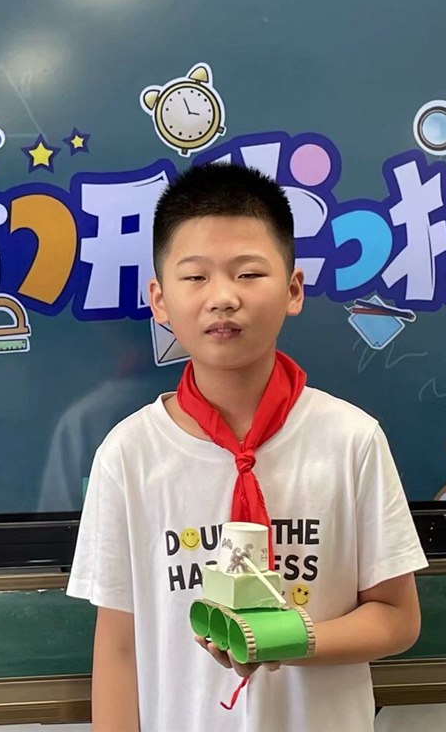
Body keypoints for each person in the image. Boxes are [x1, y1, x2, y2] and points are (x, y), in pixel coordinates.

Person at [66, 162, 427, 731]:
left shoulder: (351, 439)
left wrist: (295, 638)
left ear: (293, 290)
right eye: (195, 277)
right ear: (159, 301)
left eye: (249, 273)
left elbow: (397, 618)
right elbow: (117, 646)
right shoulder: (129, 454)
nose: (223, 297)